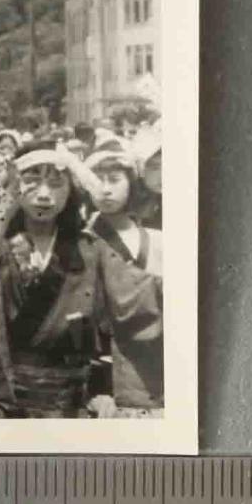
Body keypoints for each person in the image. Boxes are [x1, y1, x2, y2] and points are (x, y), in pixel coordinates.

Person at [0, 141, 117, 419]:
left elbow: (108, 324)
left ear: (71, 190)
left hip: (69, 400)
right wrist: (6, 207)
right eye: (32, 182)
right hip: (4, 398)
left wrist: (104, 389)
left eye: (55, 183)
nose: (44, 195)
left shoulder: (89, 249)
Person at [86, 147, 163, 410]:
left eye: (114, 179)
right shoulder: (80, 240)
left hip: (150, 356)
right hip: (101, 360)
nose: (105, 189)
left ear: (131, 182)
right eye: (97, 180)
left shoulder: (157, 239)